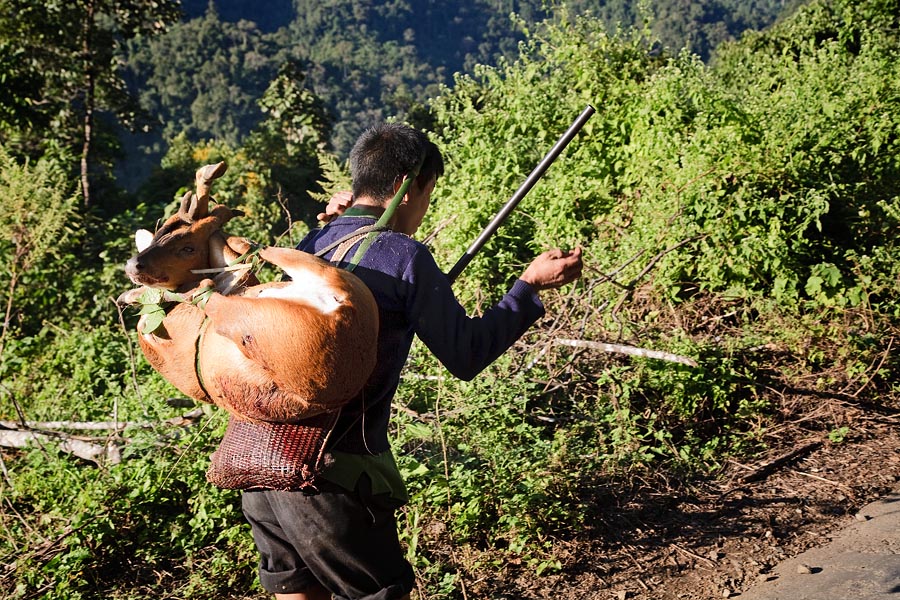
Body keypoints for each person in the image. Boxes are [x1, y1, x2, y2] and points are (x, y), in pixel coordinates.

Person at [241, 123, 583, 600]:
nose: (425, 209)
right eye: (428, 192)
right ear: (408, 186)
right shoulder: (405, 256)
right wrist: (529, 287)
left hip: (258, 465)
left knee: (296, 586)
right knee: (381, 592)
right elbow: (467, 354)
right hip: (333, 477)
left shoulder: (306, 247)